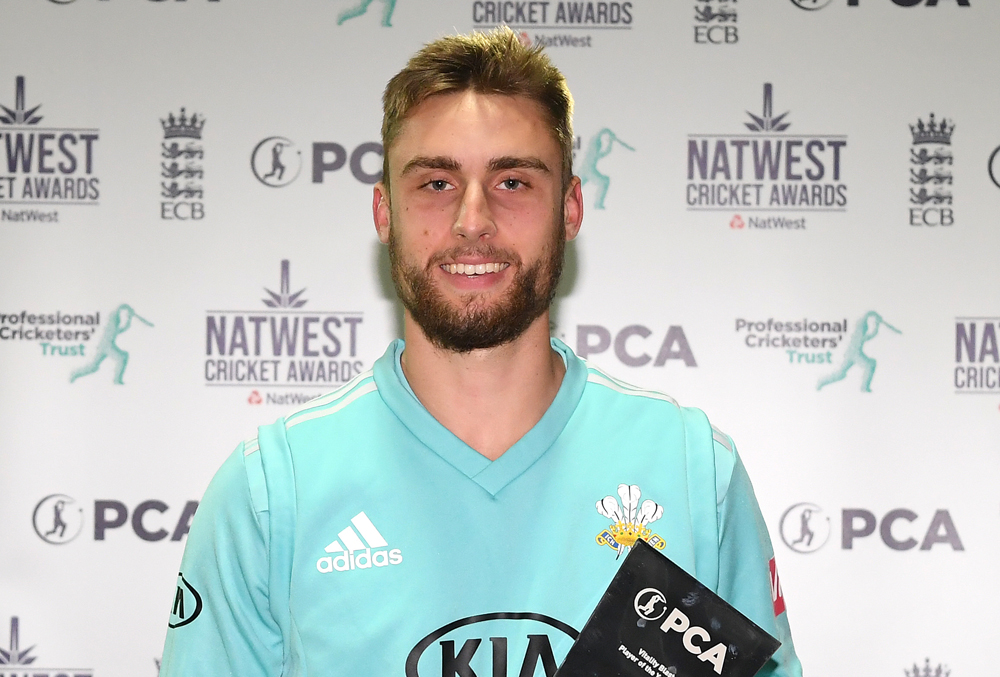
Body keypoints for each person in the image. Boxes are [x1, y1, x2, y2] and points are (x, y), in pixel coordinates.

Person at [160, 27, 802, 676]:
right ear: (384, 212)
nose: (473, 220)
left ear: (570, 209)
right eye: (437, 182)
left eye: (513, 181)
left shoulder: (691, 472)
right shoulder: (274, 493)